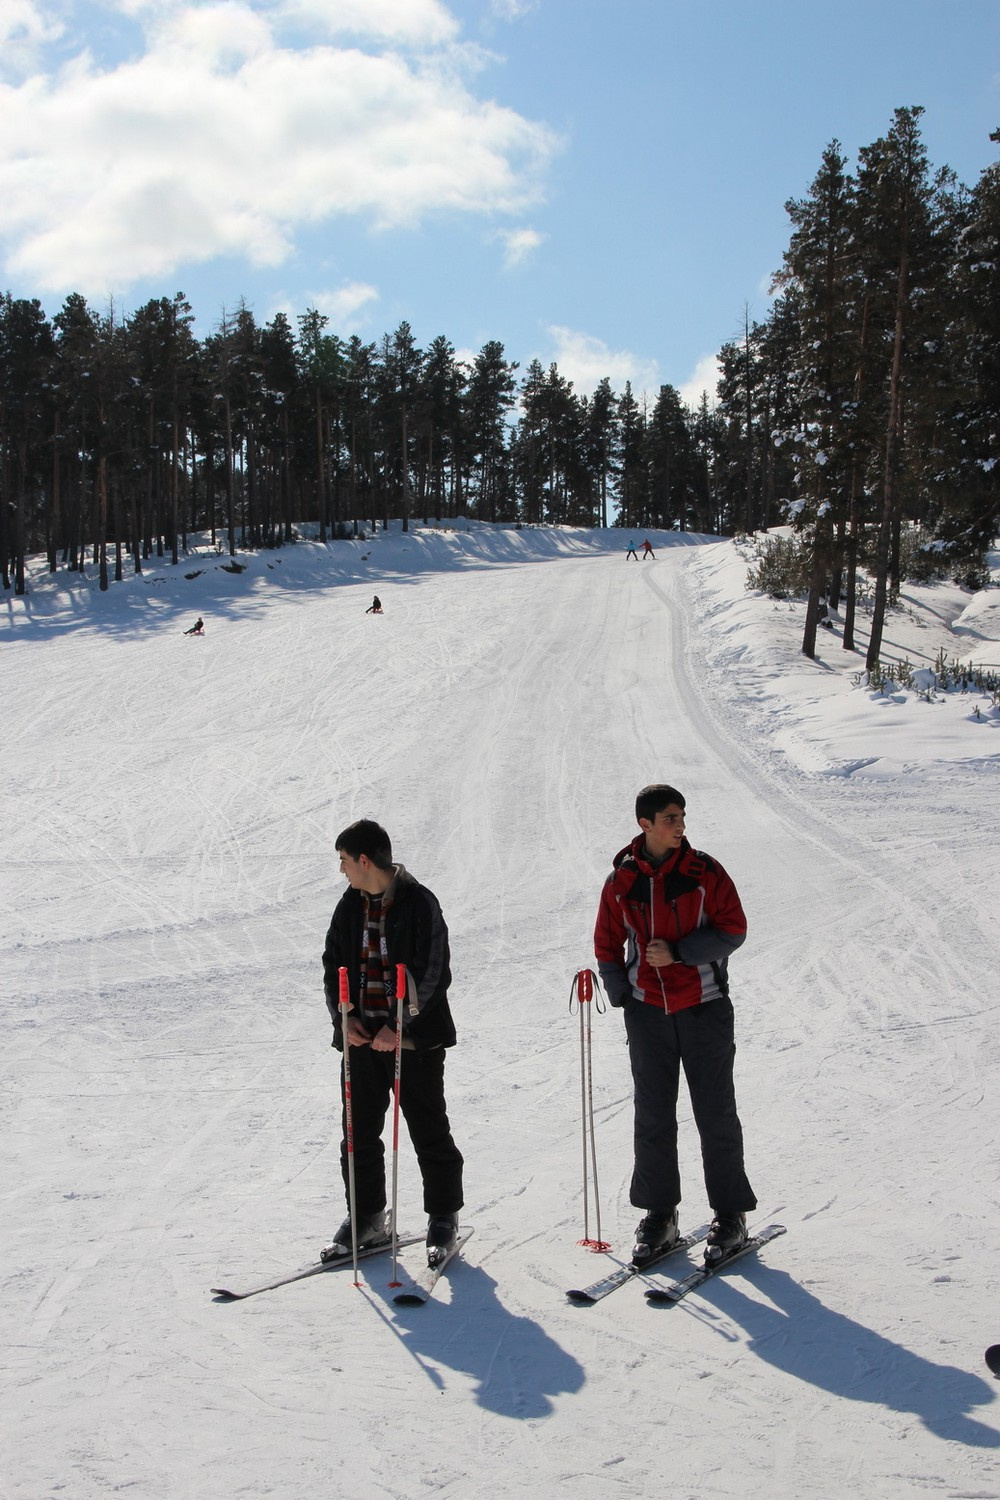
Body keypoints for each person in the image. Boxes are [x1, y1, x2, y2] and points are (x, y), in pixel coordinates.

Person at [594, 783, 756, 1265]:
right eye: (670, 818)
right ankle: (659, 1214)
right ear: (645, 824)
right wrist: (622, 993)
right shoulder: (621, 880)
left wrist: (681, 953)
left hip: (705, 1008)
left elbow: (733, 929)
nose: (680, 826)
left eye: (682, 817)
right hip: (648, 1014)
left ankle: (730, 1215)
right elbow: (606, 941)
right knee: (653, 1115)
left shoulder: (705, 872)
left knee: (716, 1114)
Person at [321, 819, 464, 1264]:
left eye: (344, 860)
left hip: (412, 1045)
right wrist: (343, 1018)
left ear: (364, 860)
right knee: (357, 1135)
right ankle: (366, 1218)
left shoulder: (420, 903)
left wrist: (399, 1026)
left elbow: (433, 972)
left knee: (428, 1131)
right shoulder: (349, 907)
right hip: (361, 1043)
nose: (342, 869)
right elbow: (332, 966)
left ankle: (443, 1218)